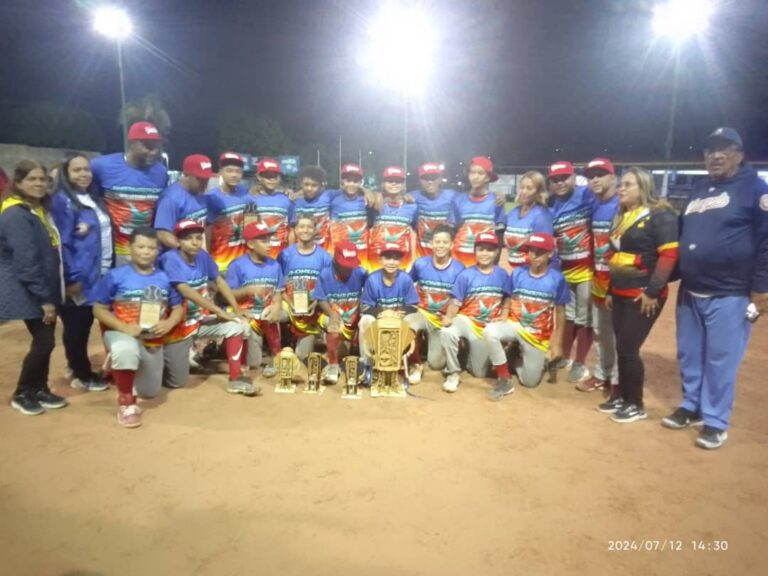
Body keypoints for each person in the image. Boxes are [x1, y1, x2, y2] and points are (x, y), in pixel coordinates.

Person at [663, 127, 768, 449]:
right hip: (691, 289)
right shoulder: (698, 189)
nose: (716, 156)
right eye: (710, 150)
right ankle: (691, 405)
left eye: (724, 149)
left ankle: (716, 420)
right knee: (689, 354)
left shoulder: (756, 189)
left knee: (721, 360)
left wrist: (761, 288)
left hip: (731, 292)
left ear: (739, 155)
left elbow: (766, 242)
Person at [595, 167, 678, 423]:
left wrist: (652, 292)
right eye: (621, 184)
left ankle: (636, 404)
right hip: (621, 291)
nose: (621, 189)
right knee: (622, 347)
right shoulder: (623, 216)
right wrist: (610, 290)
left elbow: (668, 256)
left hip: (643, 294)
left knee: (629, 348)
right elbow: (615, 257)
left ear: (643, 187)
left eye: (628, 184)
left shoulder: (660, 215)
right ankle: (623, 397)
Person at [92, 227, 185, 428]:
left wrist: (169, 323)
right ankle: (126, 404)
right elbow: (98, 309)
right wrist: (124, 327)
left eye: (151, 248)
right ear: (130, 247)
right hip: (121, 332)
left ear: (157, 251)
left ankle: (119, 366)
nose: (146, 252)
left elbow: (178, 308)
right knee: (126, 350)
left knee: (149, 392)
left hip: (151, 338)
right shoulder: (115, 276)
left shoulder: (164, 278)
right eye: (141, 247)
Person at [0, 161, 68, 415]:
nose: (39, 184)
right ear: (18, 183)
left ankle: (39, 388)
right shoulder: (16, 214)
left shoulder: (36, 210)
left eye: (42, 179)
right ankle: (23, 392)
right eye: (32, 179)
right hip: (28, 289)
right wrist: (45, 299)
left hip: (40, 287)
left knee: (46, 340)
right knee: (44, 341)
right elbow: (26, 261)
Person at [158, 220, 255, 395]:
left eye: (198, 238)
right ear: (178, 241)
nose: (195, 242)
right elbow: (185, 290)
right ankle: (165, 362)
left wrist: (236, 309)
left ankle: (235, 378)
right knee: (177, 382)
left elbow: (219, 281)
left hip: (199, 320)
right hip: (177, 327)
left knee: (237, 325)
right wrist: (218, 311)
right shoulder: (169, 259)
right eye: (188, 238)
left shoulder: (202, 256)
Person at [50, 153, 113, 392]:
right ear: (65, 174)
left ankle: (74, 366)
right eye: (77, 170)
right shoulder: (62, 201)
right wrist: (71, 278)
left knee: (83, 324)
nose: (84, 174)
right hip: (79, 277)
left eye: (86, 169)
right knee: (77, 325)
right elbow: (62, 243)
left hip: (97, 273)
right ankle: (81, 374)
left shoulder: (93, 198)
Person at [484, 233, 568, 399]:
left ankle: (515, 355)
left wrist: (557, 344)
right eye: (531, 251)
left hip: (537, 334)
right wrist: (505, 313)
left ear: (550, 254)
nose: (534, 255)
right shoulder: (518, 273)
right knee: (490, 331)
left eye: (540, 252)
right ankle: (505, 379)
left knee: (529, 382)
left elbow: (560, 311)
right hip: (515, 324)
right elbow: (508, 295)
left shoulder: (557, 279)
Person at [439, 232, 509, 392]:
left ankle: (466, 354)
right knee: (447, 332)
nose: (485, 253)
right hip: (467, 321)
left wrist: (504, 313)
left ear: (496, 252)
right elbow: (456, 301)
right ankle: (453, 372)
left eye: (489, 250)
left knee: (479, 373)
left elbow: (507, 297)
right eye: (481, 249)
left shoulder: (502, 274)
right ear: (475, 251)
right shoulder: (466, 275)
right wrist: (449, 317)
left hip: (487, 328)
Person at [91, 121, 168, 264]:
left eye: (157, 147)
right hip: (112, 251)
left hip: (145, 251)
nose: (154, 152)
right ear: (132, 143)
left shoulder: (160, 172)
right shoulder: (101, 166)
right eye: (148, 146)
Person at [548, 160, 595, 383]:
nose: (560, 183)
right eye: (555, 180)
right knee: (568, 316)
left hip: (588, 270)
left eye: (564, 178)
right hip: (566, 270)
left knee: (584, 318)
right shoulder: (553, 204)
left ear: (574, 177)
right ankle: (565, 356)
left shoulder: (587, 195)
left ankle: (580, 362)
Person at [578, 158, 620, 395]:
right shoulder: (595, 204)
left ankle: (617, 381)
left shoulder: (621, 204)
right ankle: (602, 375)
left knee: (617, 333)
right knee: (600, 331)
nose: (595, 179)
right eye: (591, 176)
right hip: (598, 277)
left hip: (618, 279)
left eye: (600, 174)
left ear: (613, 177)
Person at [405, 224, 465, 384]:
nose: (441, 246)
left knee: (436, 364)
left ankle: (430, 344)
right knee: (407, 323)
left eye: (445, 242)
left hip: (441, 319)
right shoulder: (420, 264)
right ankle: (415, 363)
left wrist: (450, 316)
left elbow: (458, 297)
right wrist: (409, 305)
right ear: (431, 243)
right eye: (437, 242)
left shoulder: (459, 268)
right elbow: (406, 283)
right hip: (422, 313)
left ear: (452, 244)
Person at [226, 221, 284, 378]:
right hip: (248, 315)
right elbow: (228, 295)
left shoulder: (275, 265)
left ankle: (275, 356)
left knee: (272, 315)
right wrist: (247, 291)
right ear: (251, 244)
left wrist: (276, 306)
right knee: (254, 363)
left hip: (267, 314)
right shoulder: (237, 265)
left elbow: (278, 292)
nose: (269, 245)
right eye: (263, 241)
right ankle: (246, 360)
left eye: (269, 240)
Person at [358, 243, 419, 375]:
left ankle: (412, 363)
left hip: (399, 318)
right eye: (388, 258)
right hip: (379, 319)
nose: (391, 262)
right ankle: (367, 364)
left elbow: (413, 306)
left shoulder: (405, 279)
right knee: (365, 320)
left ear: (401, 261)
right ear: (380, 259)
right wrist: (383, 312)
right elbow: (365, 307)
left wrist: (397, 313)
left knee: (412, 320)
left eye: (396, 258)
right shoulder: (372, 279)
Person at [278, 215, 333, 360]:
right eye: (301, 227)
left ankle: (320, 336)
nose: (305, 230)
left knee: (302, 357)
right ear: (295, 230)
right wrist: (290, 304)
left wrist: (316, 303)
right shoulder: (285, 255)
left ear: (315, 230)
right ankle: (275, 349)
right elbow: (279, 287)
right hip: (289, 306)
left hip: (314, 309)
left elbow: (328, 288)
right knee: (271, 315)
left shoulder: (325, 257)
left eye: (309, 227)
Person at [313, 241, 367, 384]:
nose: (348, 268)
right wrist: (332, 314)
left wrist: (362, 311)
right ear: (336, 261)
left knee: (366, 322)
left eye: (351, 264)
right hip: (334, 315)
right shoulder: (325, 274)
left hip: (354, 318)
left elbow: (369, 294)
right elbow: (320, 299)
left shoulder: (361, 273)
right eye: (345, 264)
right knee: (333, 327)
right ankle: (333, 366)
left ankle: (365, 365)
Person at [451, 156, 506, 267]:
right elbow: (453, 230)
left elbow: (499, 235)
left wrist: (495, 262)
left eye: (480, 173)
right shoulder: (458, 200)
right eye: (472, 172)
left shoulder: (496, 201)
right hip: (459, 258)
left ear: (488, 177)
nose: (475, 177)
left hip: (483, 260)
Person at [154, 154, 215, 250]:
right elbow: (162, 234)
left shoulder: (202, 193)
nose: (205, 183)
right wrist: (185, 250)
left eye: (207, 179)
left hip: (198, 253)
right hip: (178, 255)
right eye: (200, 179)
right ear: (186, 175)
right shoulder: (171, 199)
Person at [205, 152, 250, 274]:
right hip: (220, 263)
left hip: (243, 263)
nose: (234, 175)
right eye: (229, 171)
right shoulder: (211, 197)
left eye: (238, 171)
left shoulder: (246, 194)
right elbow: (207, 232)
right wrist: (207, 261)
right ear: (220, 172)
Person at [368, 166, 418, 271]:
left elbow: (414, 233)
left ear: (403, 184)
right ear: (383, 184)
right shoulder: (375, 203)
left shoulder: (412, 206)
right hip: (376, 261)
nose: (394, 184)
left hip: (401, 262)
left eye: (398, 181)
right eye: (390, 181)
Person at [503, 170, 553, 271]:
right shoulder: (513, 213)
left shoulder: (542, 216)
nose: (524, 192)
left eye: (529, 188)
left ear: (539, 191)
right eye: (522, 187)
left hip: (530, 272)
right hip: (512, 270)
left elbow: (544, 251)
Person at [244, 158, 293, 260]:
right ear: (259, 177)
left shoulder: (286, 199)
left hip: (281, 255)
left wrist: (291, 253)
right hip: (259, 256)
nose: (272, 179)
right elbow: (249, 230)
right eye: (267, 176)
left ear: (280, 178)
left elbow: (291, 229)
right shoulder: (250, 199)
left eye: (275, 176)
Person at [411, 162, 457, 259]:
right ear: (420, 180)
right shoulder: (413, 196)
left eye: (433, 178)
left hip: (443, 254)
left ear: (440, 179)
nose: (430, 182)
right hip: (421, 255)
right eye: (426, 178)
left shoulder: (451, 196)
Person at [329, 163, 371, 270]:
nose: (351, 184)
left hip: (361, 252)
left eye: (355, 181)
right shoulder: (333, 200)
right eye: (348, 180)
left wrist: (368, 192)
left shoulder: (366, 200)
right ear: (342, 181)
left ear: (360, 183)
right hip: (341, 252)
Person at [291, 165, 332, 252]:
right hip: (303, 250)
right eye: (306, 184)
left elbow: (347, 191)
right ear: (301, 184)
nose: (309, 188)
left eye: (314, 185)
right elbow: (292, 230)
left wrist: (363, 191)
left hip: (324, 249)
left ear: (320, 185)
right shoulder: (294, 202)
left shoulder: (327, 196)